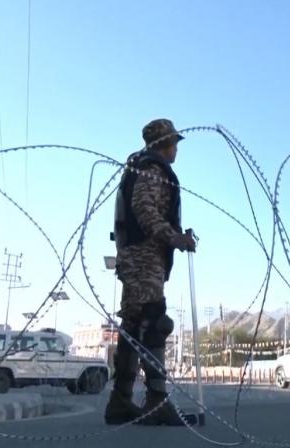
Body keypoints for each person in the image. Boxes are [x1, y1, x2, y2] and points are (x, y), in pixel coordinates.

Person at [104, 118, 196, 426]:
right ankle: (157, 402)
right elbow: (144, 209)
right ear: (164, 145)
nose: (175, 150)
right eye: (173, 144)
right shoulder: (153, 169)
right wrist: (174, 237)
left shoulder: (140, 167)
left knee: (134, 326)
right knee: (154, 321)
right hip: (144, 257)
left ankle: (120, 401)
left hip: (135, 255)